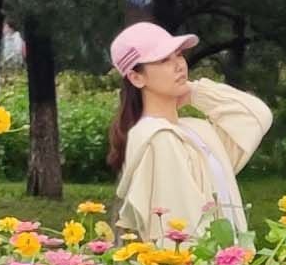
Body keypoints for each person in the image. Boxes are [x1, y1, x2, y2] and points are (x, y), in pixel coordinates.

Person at [107, 20, 268, 245]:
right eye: (163, 60)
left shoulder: (196, 130)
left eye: (179, 55)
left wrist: (195, 92)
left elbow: (257, 116)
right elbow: (182, 231)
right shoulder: (157, 138)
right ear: (136, 77)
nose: (179, 66)